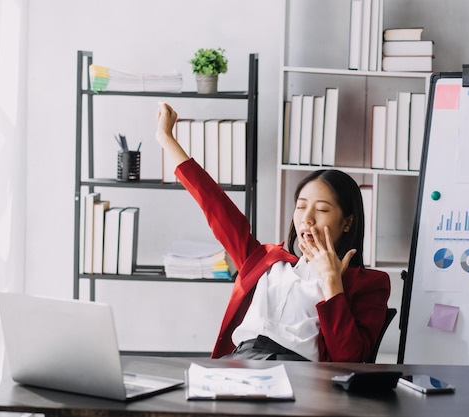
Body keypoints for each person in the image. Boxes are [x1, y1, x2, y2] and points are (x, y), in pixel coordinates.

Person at [155, 102, 390, 362]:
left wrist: (332, 283)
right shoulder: (265, 260)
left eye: (322, 210)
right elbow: (213, 203)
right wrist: (166, 139)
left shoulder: (370, 283)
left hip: (298, 376)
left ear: (347, 222)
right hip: (239, 364)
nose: (307, 219)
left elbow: (351, 362)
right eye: (301, 207)